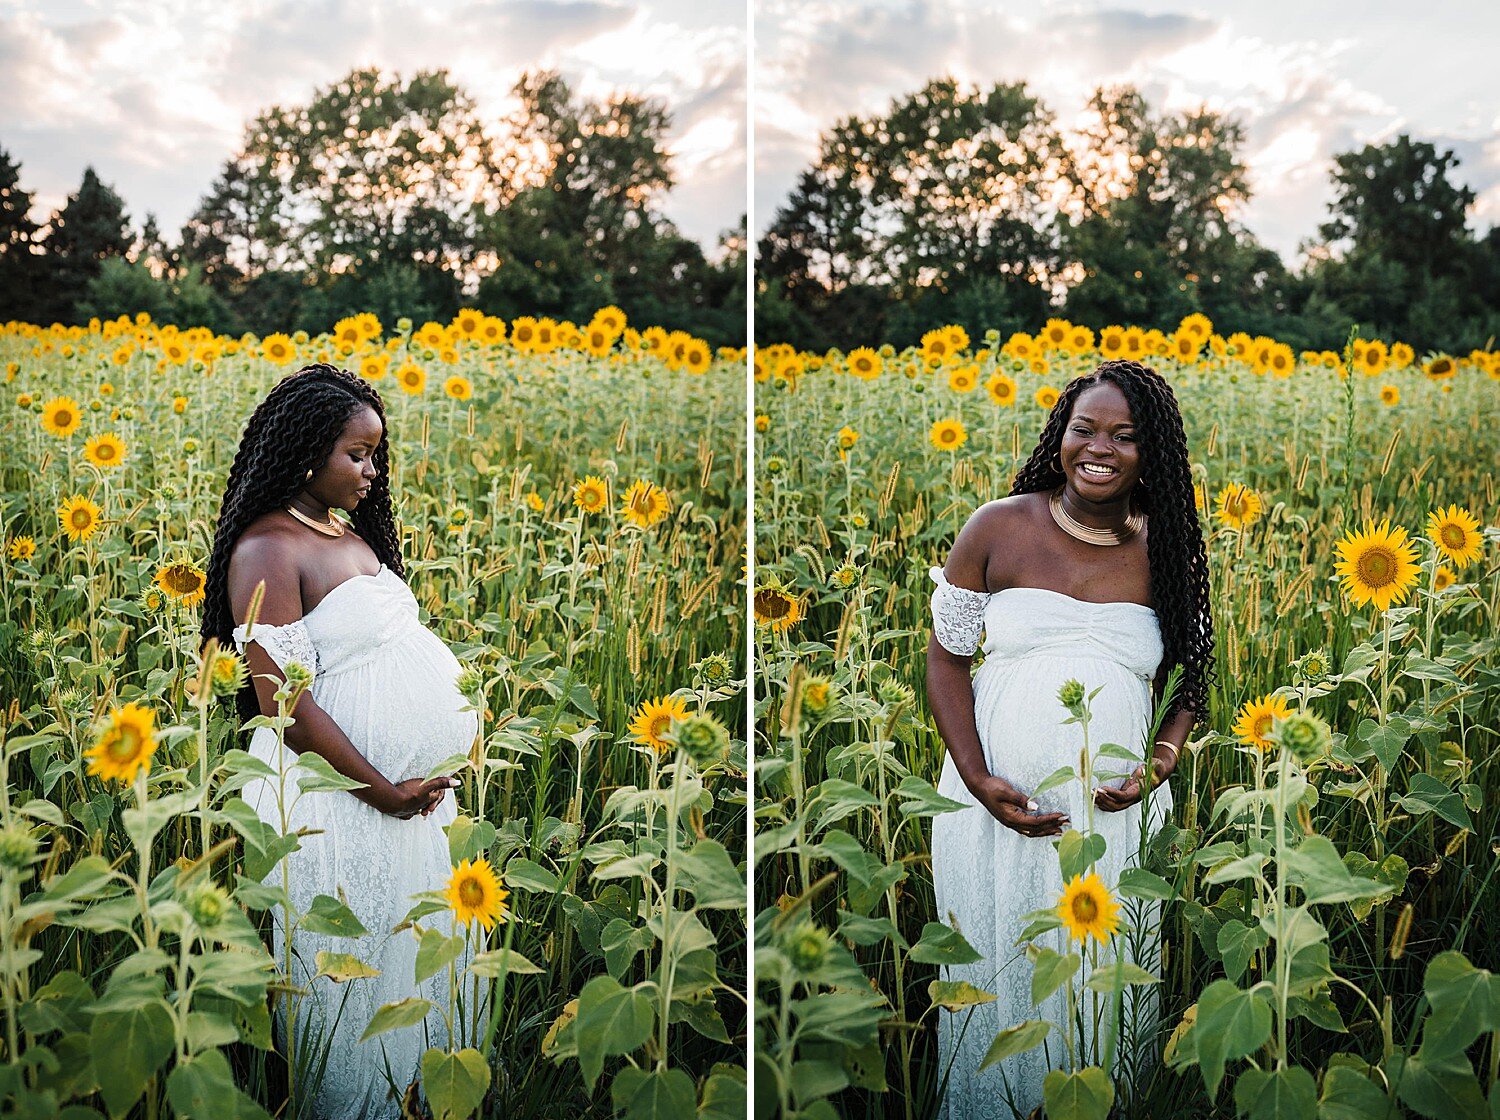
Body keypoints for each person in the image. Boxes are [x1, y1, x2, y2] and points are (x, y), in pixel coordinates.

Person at [926, 359, 1213, 1119]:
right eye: (1085, 429)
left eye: (1125, 436)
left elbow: (1189, 684)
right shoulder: (999, 526)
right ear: (1062, 433)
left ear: (1152, 452)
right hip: (992, 803)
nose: (1100, 448)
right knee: (999, 966)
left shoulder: (1169, 552)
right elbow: (947, 659)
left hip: (1114, 816)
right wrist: (978, 776)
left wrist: (1158, 765)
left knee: (1102, 978)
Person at [200, 364, 479, 1119]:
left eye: (375, 454)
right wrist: (382, 792)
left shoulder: (345, 533)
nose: (371, 470)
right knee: (349, 961)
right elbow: (283, 704)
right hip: (339, 797)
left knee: (404, 947)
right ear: (305, 452)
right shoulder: (266, 549)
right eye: (357, 454)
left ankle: (419, 1092)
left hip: (402, 796)